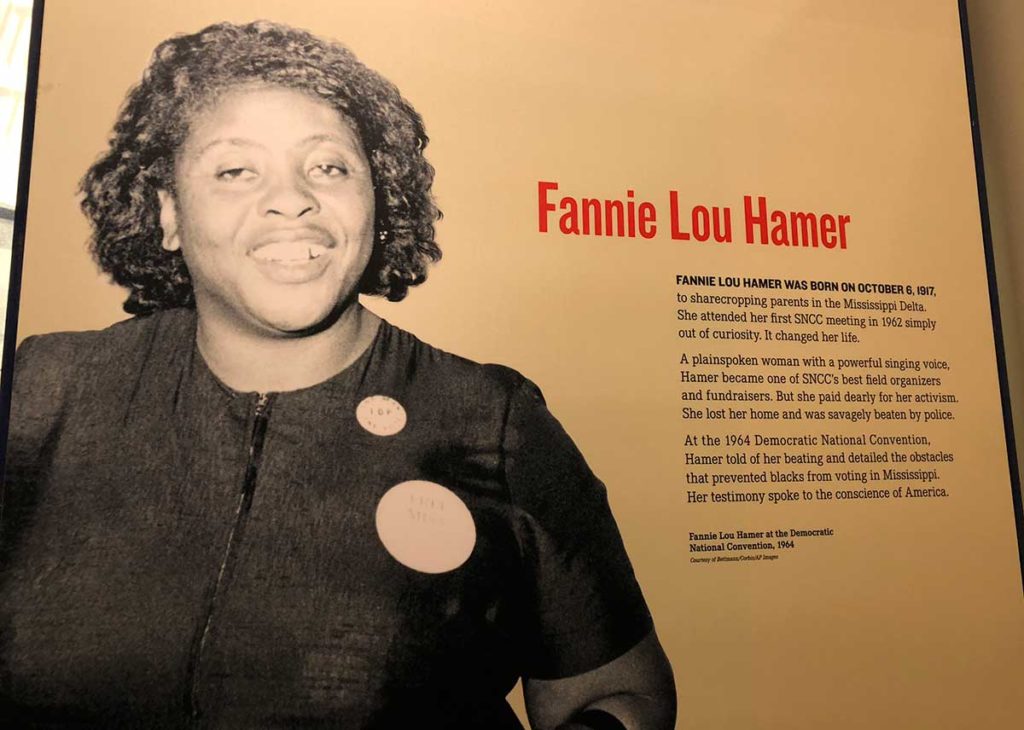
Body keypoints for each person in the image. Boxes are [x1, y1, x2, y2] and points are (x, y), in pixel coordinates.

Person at [0, 20, 675, 729]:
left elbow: (622, 694)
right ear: (167, 212)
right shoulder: (47, 390)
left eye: (328, 167)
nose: (292, 199)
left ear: (376, 200)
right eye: (236, 170)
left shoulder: (491, 420)